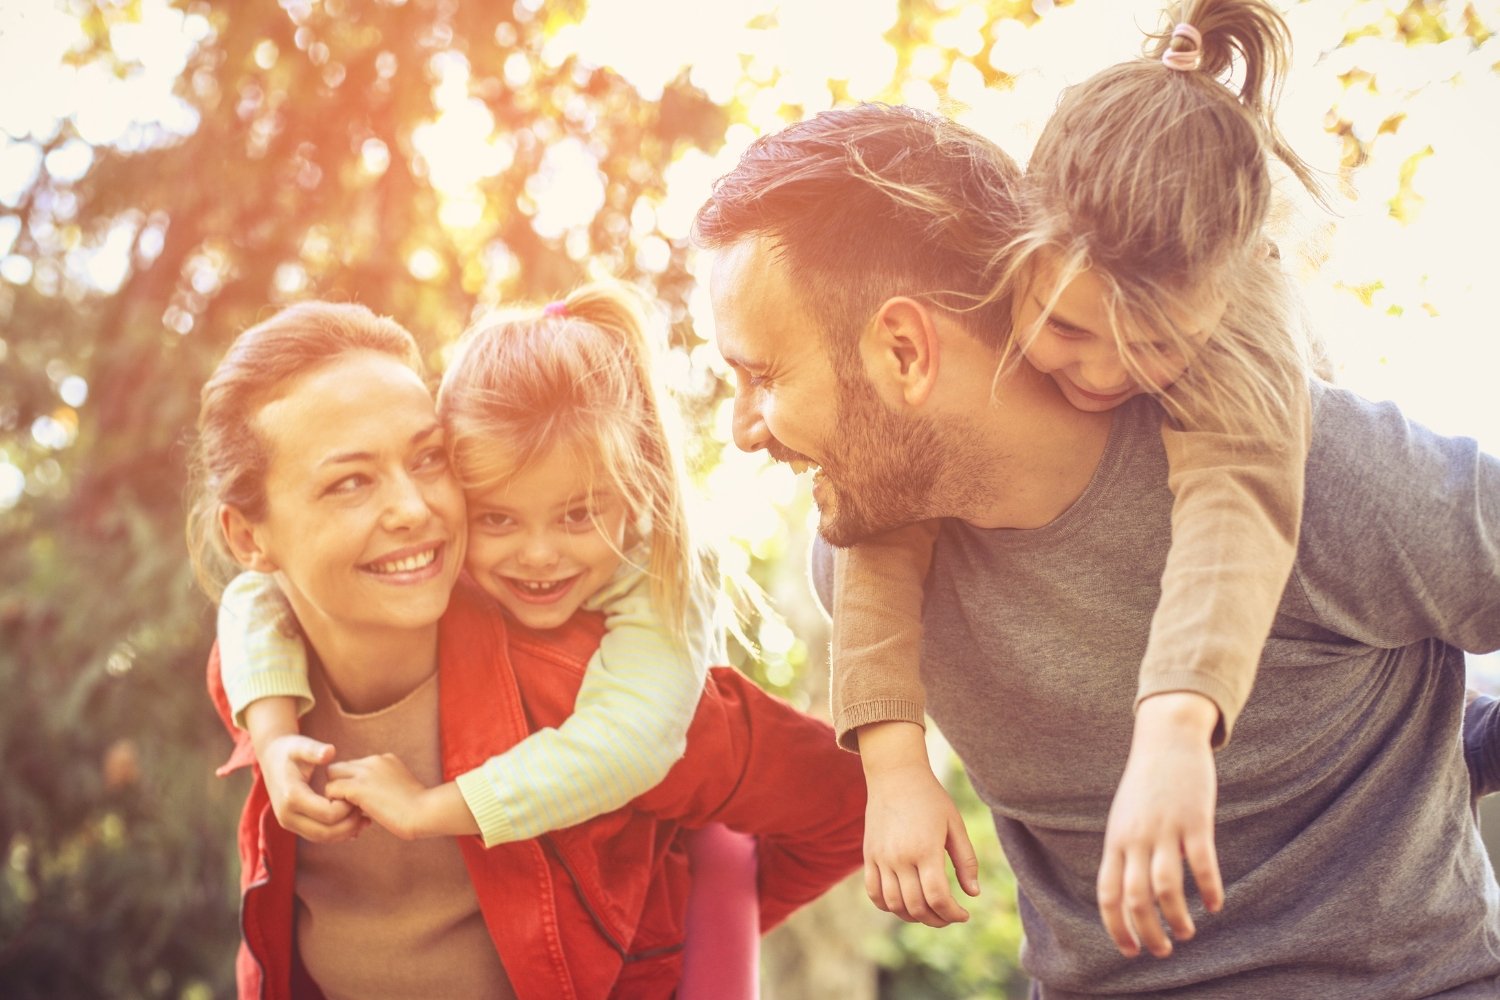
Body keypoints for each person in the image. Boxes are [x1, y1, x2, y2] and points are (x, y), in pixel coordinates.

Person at [694, 95, 1500, 997]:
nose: (741, 431)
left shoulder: (1304, 471)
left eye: (762, 377)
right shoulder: (859, 570)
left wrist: (1456, 753)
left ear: (906, 351)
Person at [822, 0, 1322, 957]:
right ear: (1019, 246)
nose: (1100, 375)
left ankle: (1438, 721)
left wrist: (1175, 727)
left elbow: (1236, 512)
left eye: (1156, 346)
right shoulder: (994, 268)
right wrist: (892, 762)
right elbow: (884, 508)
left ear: (1229, 286)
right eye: (1068, 332)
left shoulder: (1245, 324)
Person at [186, 296, 865, 999]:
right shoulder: (261, 682)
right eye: (350, 481)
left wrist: (676, 940)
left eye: (427, 459)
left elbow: (849, 808)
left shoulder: (589, 690)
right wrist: (268, 739)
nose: (414, 509)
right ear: (247, 539)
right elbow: (249, 607)